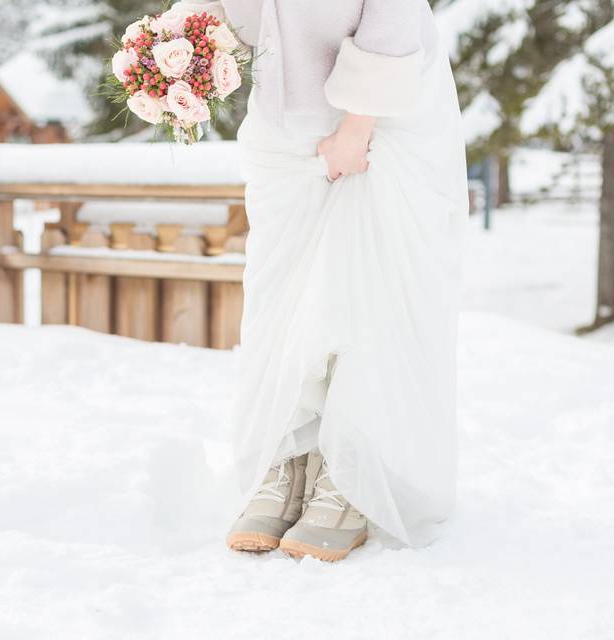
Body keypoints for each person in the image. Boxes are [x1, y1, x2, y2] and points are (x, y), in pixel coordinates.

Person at [178, 0, 469, 561]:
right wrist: (174, 51)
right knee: (281, 295)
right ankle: (287, 460)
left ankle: (351, 473)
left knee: (363, 288)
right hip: (282, 119)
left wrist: (358, 127)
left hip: (385, 111)